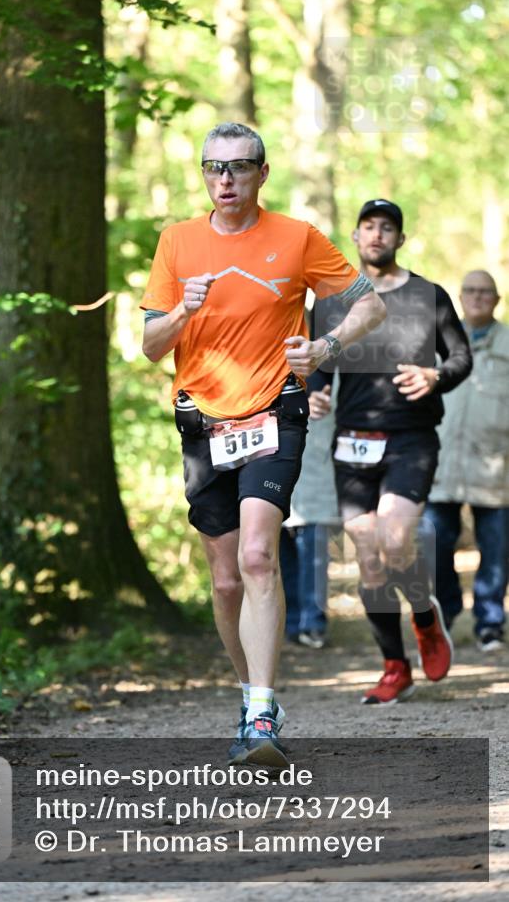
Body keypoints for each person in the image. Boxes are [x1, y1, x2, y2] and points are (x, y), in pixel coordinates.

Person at [140, 123, 386, 764]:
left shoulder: (296, 237)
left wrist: (326, 346)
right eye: (213, 168)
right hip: (202, 422)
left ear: (262, 173)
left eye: (239, 168)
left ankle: (259, 715)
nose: (225, 180)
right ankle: (252, 692)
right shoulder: (177, 243)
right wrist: (182, 313)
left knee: (256, 557)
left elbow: (370, 307)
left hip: (277, 410)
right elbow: (150, 346)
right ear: (203, 175)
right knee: (225, 583)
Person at [308, 198, 473, 704]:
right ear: (355, 238)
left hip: (411, 439)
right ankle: (394, 667)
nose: (376, 235)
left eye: (387, 228)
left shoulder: (429, 295)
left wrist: (436, 375)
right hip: (352, 441)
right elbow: (319, 365)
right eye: (367, 227)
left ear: (400, 239)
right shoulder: (333, 302)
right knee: (370, 561)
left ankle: (424, 617)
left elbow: (461, 357)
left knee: (396, 540)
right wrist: (315, 390)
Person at [424, 271, 508, 652]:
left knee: (496, 548)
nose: (477, 297)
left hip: (497, 465)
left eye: (484, 292)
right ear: (460, 297)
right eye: (470, 291)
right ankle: (449, 607)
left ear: (497, 299)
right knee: (435, 543)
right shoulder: (437, 342)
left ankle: (490, 621)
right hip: (441, 463)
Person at [280, 379, 339, 649]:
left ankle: (313, 624)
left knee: (313, 561)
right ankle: (292, 624)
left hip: (318, 483)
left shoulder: (331, 374)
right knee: (283, 562)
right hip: (277, 485)